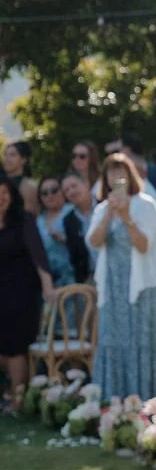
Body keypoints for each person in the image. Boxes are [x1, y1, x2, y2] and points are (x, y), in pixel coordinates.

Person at [87, 153, 156, 401]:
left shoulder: (146, 204)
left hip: (143, 287)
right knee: (113, 343)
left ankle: (147, 404)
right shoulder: (102, 208)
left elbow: (145, 245)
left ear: (130, 174)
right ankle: (113, 405)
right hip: (114, 286)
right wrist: (109, 214)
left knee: (141, 345)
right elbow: (93, 241)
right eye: (111, 172)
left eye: (121, 171)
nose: (116, 176)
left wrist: (125, 216)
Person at [0, 173, 54, 412]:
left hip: (21, 293)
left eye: (4, 194)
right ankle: (10, 391)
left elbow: (39, 256)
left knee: (15, 346)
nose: (1, 199)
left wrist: (48, 287)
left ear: (12, 196)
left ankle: (18, 398)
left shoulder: (24, 221)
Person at [35, 177, 77, 288]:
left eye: (54, 190)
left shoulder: (73, 211)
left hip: (75, 278)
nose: (50, 195)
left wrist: (65, 239)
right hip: (50, 284)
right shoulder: (38, 221)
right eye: (44, 193)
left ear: (62, 191)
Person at [60, 172, 96, 283]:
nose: (71, 192)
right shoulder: (69, 220)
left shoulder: (106, 206)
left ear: (86, 184)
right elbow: (75, 257)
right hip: (90, 278)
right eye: (66, 190)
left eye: (74, 186)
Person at [2, 141, 39, 216]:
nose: (7, 159)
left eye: (12, 155)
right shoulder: (2, 183)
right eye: (5, 155)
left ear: (23, 159)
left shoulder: (30, 186)